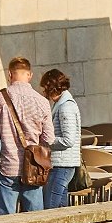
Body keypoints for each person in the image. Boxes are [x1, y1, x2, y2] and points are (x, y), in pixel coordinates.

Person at [0, 56, 53, 215]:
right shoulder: (42, 102)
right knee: (35, 218)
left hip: (6, 165)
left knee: (6, 219)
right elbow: (48, 139)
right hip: (34, 167)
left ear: (10, 75)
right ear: (30, 75)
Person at [39, 68, 80, 210]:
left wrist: (48, 140)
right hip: (63, 164)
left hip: (62, 164)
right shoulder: (62, 104)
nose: (43, 92)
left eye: (45, 87)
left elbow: (69, 140)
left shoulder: (65, 107)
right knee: (61, 209)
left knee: (50, 206)